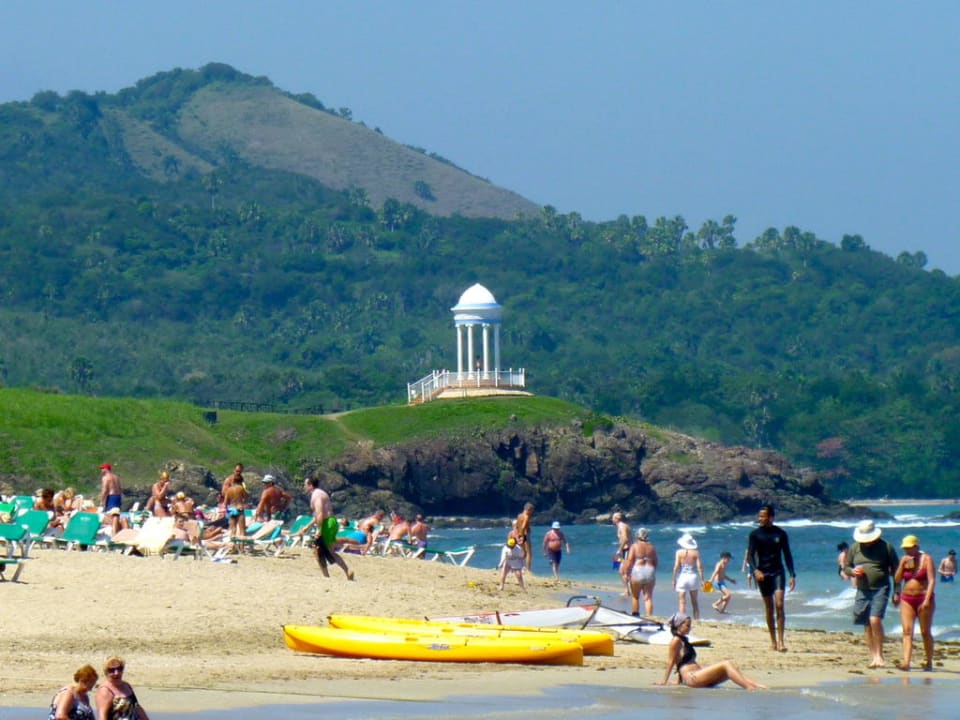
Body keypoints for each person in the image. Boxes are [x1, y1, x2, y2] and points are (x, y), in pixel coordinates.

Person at [655, 613, 766, 690]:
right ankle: (749, 687)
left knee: (731, 669)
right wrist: (664, 681)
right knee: (726, 664)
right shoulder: (676, 641)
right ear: (679, 625)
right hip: (692, 678)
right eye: (687, 625)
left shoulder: (685, 640)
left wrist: (679, 681)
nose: (690, 628)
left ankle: (756, 685)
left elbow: (680, 661)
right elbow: (671, 662)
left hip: (698, 676)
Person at [845, 519, 899, 668]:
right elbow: (846, 567)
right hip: (862, 589)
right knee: (866, 624)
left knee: (875, 620)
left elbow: (896, 570)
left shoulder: (886, 547)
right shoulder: (855, 548)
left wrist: (897, 591)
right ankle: (873, 656)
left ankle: (880, 655)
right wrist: (852, 571)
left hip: (881, 588)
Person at [746, 504, 796, 652]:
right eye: (759, 516)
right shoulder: (755, 534)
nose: (759, 519)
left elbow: (787, 555)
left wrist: (792, 574)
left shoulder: (780, 534)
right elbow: (750, 556)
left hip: (777, 572)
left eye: (763, 516)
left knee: (780, 604)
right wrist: (755, 571)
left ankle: (781, 642)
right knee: (769, 608)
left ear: (771, 517)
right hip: (763, 573)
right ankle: (773, 641)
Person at [294, 476, 354, 580]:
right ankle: (347, 571)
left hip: (326, 524)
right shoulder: (321, 493)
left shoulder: (316, 495)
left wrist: (319, 529)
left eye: (305, 485)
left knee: (318, 551)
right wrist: (307, 526)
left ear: (310, 485)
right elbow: (318, 515)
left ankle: (327, 577)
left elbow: (320, 513)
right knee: (329, 550)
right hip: (332, 522)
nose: (304, 487)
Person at [895, 534, 936, 671]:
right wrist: (902, 564)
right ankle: (906, 663)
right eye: (905, 548)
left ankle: (929, 661)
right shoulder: (905, 560)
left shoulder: (927, 559)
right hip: (907, 598)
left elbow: (931, 580)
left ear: (916, 547)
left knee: (925, 632)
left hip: (923, 597)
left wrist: (927, 599)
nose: (907, 551)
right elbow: (897, 580)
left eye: (909, 548)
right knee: (907, 631)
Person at [95, 655, 150, 720]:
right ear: (106, 672)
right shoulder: (105, 691)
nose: (116, 673)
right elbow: (102, 717)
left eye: (119, 669)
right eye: (111, 670)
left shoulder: (126, 685)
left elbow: (137, 707)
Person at [621, 527, 657, 616]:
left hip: (638, 570)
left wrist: (626, 573)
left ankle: (636, 614)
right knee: (648, 597)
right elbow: (655, 562)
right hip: (649, 570)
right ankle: (649, 616)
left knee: (635, 596)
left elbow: (630, 560)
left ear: (637, 536)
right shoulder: (652, 547)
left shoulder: (634, 546)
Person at [673, 533, 704, 620]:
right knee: (694, 601)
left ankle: (682, 620)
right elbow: (699, 567)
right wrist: (702, 580)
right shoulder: (695, 553)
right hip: (693, 577)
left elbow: (676, 567)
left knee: (682, 601)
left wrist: (674, 579)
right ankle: (696, 619)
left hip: (683, 577)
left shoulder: (679, 552)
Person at [99, 463, 122, 536]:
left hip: (111, 497)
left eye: (102, 468)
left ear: (106, 469)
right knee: (116, 514)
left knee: (111, 515)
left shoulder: (105, 477)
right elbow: (120, 488)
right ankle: (117, 531)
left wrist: (102, 500)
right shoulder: (116, 477)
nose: (101, 470)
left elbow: (105, 490)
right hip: (118, 496)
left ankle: (113, 533)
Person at [611, 511, 632, 594]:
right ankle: (628, 589)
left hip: (627, 550)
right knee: (618, 568)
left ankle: (629, 590)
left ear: (617, 519)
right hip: (624, 550)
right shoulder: (620, 526)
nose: (611, 519)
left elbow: (625, 539)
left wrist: (620, 549)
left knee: (624, 571)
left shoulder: (622, 526)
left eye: (613, 517)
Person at [223, 476, 249, 540]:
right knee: (242, 530)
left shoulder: (229, 490)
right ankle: (242, 548)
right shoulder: (241, 488)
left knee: (233, 530)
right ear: (241, 482)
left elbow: (225, 503)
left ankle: (233, 547)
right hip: (239, 509)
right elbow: (246, 498)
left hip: (231, 509)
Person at [515, 502, 535, 571]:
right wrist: (523, 536)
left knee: (524, 553)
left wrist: (518, 535)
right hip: (525, 535)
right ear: (528, 509)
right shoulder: (526, 516)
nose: (532, 512)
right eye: (532, 510)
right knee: (529, 553)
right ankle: (528, 569)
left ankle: (520, 566)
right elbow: (523, 527)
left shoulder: (519, 515)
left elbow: (516, 526)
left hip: (520, 535)